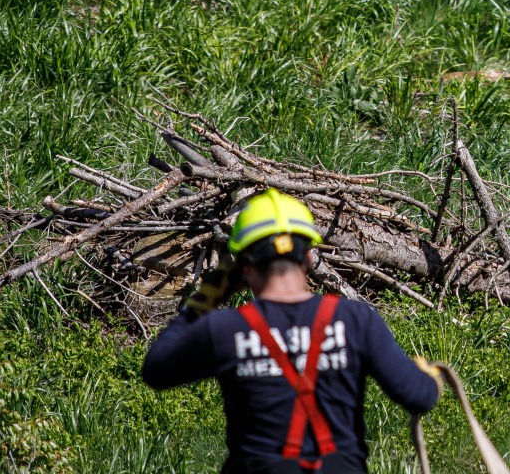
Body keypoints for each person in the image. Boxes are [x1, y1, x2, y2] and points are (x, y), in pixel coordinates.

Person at [142, 189, 441, 474]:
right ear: (309, 257)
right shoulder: (356, 320)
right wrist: (430, 377)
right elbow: (419, 396)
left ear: (243, 267)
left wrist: (199, 305)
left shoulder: (224, 330)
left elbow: (156, 370)